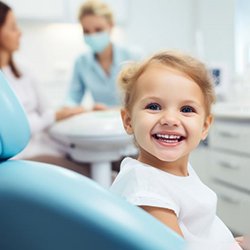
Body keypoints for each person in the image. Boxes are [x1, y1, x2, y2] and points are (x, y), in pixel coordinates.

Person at [110, 50, 244, 249]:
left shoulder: (173, 171)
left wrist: (231, 243)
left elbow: (198, 230)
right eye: (154, 106)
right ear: (128, 121)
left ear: (205, 127)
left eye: (187, 110)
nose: (170, 120)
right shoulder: (147, 188)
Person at [0, 1, 90, 176]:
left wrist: (72, 113)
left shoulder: (24, 71)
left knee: (100, 164)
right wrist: (52, 117)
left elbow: (47, 111)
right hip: (21, 157)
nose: (20, 32)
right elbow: (14, 132)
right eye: (13, 27)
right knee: (92, 174)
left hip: (46, 145)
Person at [65, 0, 141, 110]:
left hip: (131, 121)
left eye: (98, 29)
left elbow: (145, 98)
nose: (92, 35)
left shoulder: (133, 56)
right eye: (86, 31)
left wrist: (112, 110)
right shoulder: (81, 62)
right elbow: (72, 98)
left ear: (111, 26)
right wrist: (73, 109)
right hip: (100, 123)